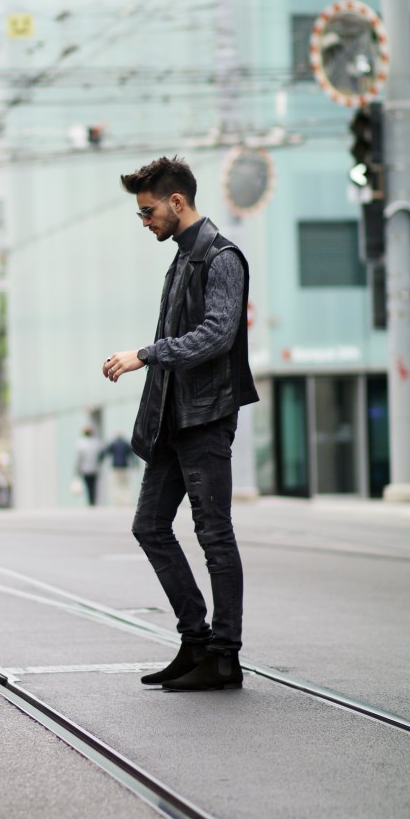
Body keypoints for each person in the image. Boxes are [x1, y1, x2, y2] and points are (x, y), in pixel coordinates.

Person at [102, 156, 259, 691]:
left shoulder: (221, 258)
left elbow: (217, 335)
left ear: (176, 202)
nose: (144, 222)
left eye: (147, 212)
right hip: (171, 418)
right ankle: (195, 640)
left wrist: (145, 354)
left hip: (207, 417)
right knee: (149, 526)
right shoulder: (180, 260)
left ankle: (224, 655)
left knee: (215, 534)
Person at [100, 434, 136, 506]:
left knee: (116, 485)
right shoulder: (126, 444)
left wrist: (100, 461)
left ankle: (118, 502)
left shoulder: (113, 444)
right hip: (125, 467)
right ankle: (126, 501)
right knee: (125, 485)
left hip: (115, 467)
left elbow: (105, 453)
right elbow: (132, 455)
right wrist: (135, 465)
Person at [75, 426, 102, 506]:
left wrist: (77, 468)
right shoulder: (97, 443)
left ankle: (90, 501)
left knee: (88, 485)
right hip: (95, 468)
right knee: (94, 485)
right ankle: (93, 500)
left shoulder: (81, 443)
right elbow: (100, 455)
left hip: (85, 468)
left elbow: (79, 457)